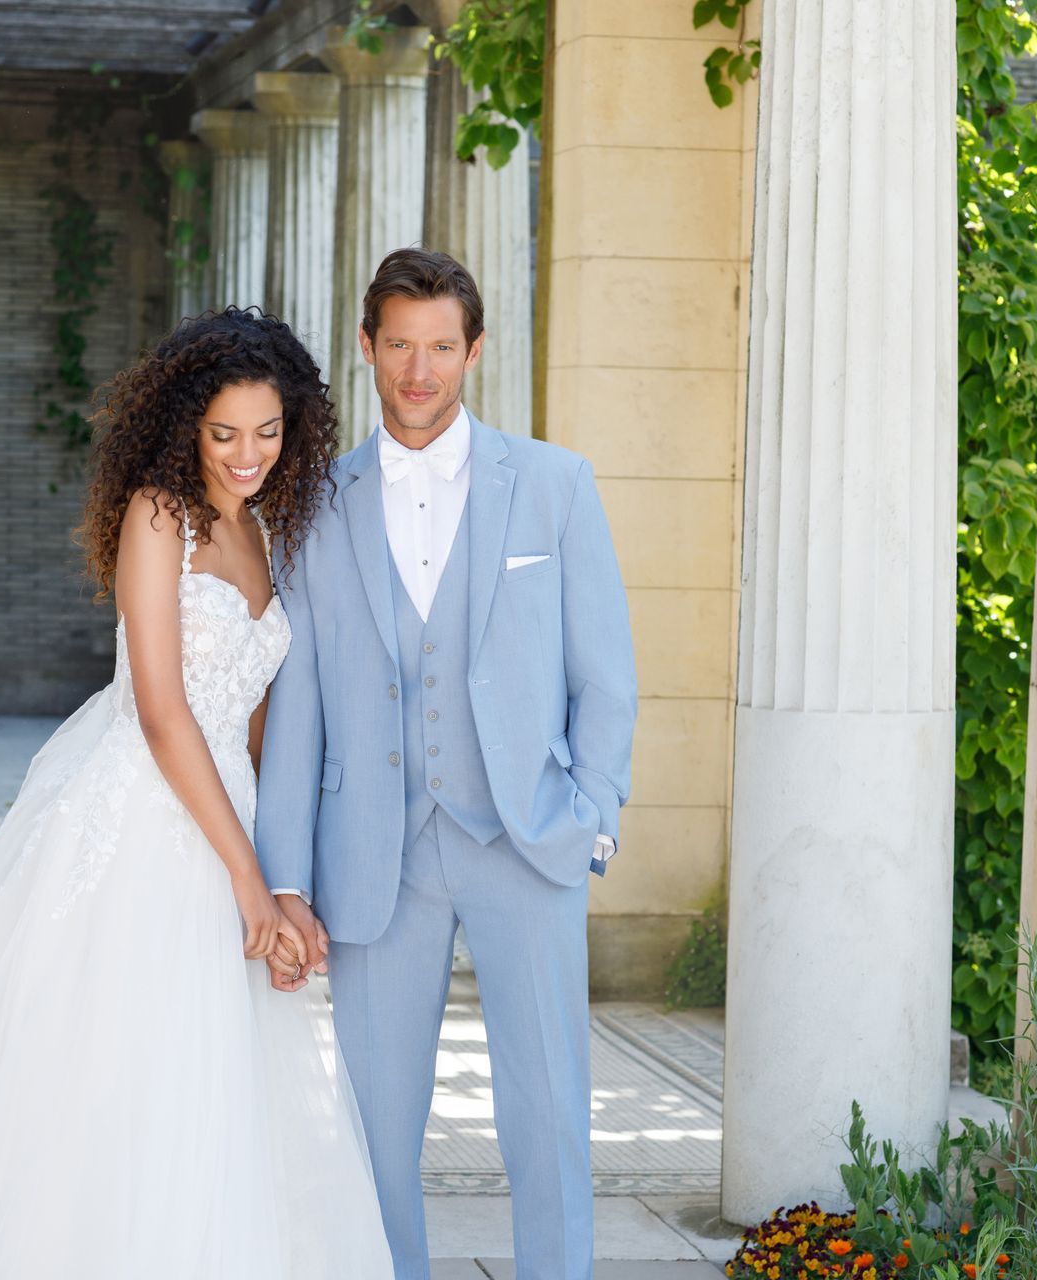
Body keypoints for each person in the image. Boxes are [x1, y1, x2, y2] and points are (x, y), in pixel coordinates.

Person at [0, 308, 394, 1279]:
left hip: (228, 812)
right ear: (186, 424)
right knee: (101, 1079)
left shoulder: (261, 525)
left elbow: (258, 719)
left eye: (269, 431)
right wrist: (247, 878)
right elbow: (163, 712)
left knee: (205, 1089)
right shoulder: (157, 512)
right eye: (225, 433)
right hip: (144, 814)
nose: (248, 453)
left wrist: (282, 873)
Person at [256, 248, 638, 1280]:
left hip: (528, 837)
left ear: (473, 349)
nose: (418, 371)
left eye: (439, 347)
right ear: (370, 348)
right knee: (376, 1130)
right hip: (374, 855)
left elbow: (605, 669)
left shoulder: (554, 485)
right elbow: (300, 707)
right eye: (398, 346)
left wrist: (594, 808)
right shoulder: (313, 502)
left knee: (549, 1114)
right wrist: (284, 876)